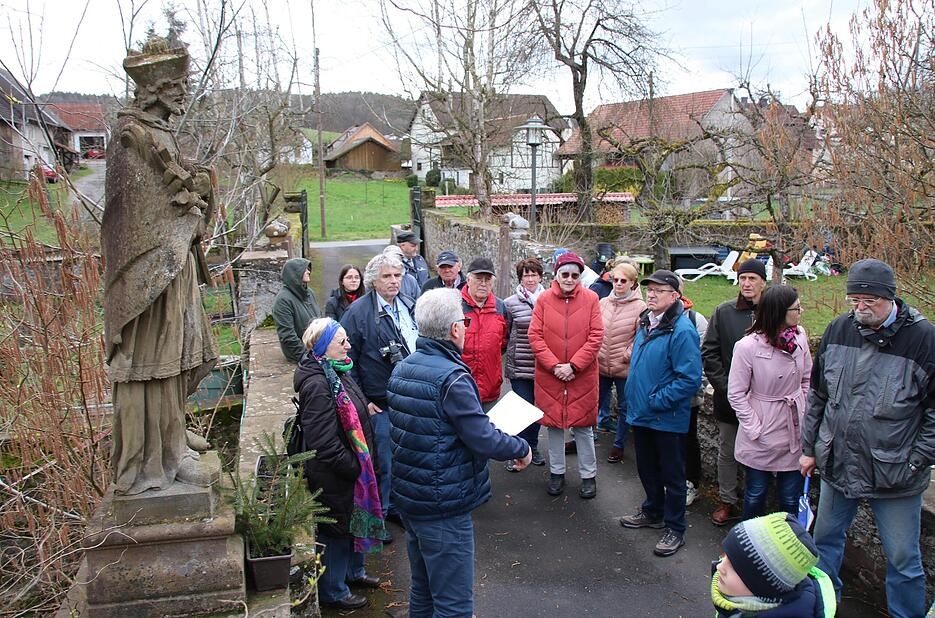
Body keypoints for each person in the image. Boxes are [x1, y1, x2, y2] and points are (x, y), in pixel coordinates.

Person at [103, 37, 218, 495]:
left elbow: (187, 183)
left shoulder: (160, 132)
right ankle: (154, 455)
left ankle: (172, 437)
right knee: (153, 356)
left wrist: (203, 186)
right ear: (152, 91)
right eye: (176, 86)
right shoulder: (133, 136)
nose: (183, 93)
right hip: (150, 273)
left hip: (175, 263)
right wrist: (184, 211)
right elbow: (130, 215)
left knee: (177, 349)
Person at [800, 259, 935, 618]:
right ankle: (824, 607)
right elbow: (818, 395)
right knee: (824, 544)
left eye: (868, 301)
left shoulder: (923, 339)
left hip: (896, 474)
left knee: (903, 559)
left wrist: (915, 461)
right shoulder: (838, 329)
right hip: (837, 463)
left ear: (889, 298)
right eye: (853, 300)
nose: (859, 308)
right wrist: (809, 449)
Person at [387, 288, 531, 617]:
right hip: (442, 505)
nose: (466, 327)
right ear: (455, 329)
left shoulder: (402, 368)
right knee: (453, 604)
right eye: (464, 322)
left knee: (423, 590)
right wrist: (520, 447)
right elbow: (482, 437)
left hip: (412, 499)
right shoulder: (452, 378)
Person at [295, 318, 387, 611]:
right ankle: (334, 590)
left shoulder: (338, 370)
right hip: (336, 474)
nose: (348, 346)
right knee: (336, 531)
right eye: (341, 342)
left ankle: (353, 573)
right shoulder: (318, 385)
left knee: (351, 524)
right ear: (322, 347)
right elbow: (322, 441)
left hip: (352, 470)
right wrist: (353, 466)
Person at [619, 270, 701, 557]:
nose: (651, 294)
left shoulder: (682, 330)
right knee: (647, 467)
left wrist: (656, 400)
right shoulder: (647, 322)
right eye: (650, 289)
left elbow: (689, 379)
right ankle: (652, 511)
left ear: (675, 295)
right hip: (641, 413)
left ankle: (675, 528)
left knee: (673, 475)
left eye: (659, 290)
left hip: (665, 416)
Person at [340, 253, 418, 532]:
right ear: (373, 280)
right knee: (381, 462)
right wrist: (363, 400)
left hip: (406, 399)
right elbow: (346, 361)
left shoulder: (408, 304)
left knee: (403, 458)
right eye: (387, 276)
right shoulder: (358, 313)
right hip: (379, 403)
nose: (394, 281)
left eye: (397, 275)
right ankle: (380, 515)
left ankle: (395, 507)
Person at [727, 286, 811, 520]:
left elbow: (807, 379)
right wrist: (755, 427)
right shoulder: (747, 347)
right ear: (779, 312)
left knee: (790, 497)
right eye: (796, 308)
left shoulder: (799, 337)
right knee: (755, 494)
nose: (800, 311)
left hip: (793, 428)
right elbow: (736, 393)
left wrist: (803, 410)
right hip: (761, 432)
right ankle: (747, 550)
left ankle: (788, 551)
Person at [528, 251, 604, 499]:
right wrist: (555, 366)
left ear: (580, 276)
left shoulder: (592, 298)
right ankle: (556, 473)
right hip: (551, 376)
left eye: (574, 275)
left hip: (581, 375)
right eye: (565, 274)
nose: (570, 279)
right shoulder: (543, 300)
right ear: (557, 275)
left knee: (582, 428)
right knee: (554, 427)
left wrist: (573, 365)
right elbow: (535, 336)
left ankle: (588, 475)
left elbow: (596, 336)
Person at [703, 258, 768, 526]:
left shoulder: (774, 312)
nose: (746, 283)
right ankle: (727, 500)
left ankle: (758, 506)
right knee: (727, 451)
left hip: (765, 402)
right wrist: (728, 388)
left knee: (761, 455)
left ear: (763, 282)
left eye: (752, 278)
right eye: (742, 278)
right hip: (729, 399)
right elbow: (709, 352)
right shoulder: (724, 311)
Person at [711, 512, 836, 617]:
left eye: (734, 567)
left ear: (762, 587)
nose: (719, 567)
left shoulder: (739, 598)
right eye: (725, 556)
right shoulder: (738, 600)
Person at [597, 261, 646, 463]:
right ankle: (582, 437)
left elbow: (641, 337)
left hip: (624, 367)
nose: (618, 284)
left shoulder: (640, 307)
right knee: (592, 403)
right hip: (600, 363)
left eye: (623, 281)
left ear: (633, 283)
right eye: (615, 279)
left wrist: (627, 355)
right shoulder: (603, 303)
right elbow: (595, 330)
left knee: (625, 407)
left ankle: (619, 444)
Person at [504, 257, 547, 470]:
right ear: (520, 278)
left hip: (543, 366)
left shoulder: (550, 300)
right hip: (520, 365)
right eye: (526, 275)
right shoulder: (510, 303)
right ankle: (516, 452)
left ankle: (533, 447)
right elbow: (506, 332)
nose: (530, 279)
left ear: (540, 276)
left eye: (533, 274)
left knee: (537, 410)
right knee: (521, 409)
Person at [460, 257, 512, 410]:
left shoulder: (501, 308)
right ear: (468, 279)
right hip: (459, 388)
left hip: (490, 390)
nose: (483, 283)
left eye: (487, 279)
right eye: (478, 278)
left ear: (492, 282)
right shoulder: (454, 306)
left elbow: (503, 343)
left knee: (486, 431)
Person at [680, 293, 708, 507]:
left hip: (689, 394)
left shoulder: (695, 320)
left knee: (689, 439)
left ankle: (691, 482)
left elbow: (704, 356)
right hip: (663, 393)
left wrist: (700, 387)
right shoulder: (652, 317)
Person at [272, 257, 323, 363]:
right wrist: (307, 356)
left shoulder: (310, 293)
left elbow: (320, 321)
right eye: (305, 270)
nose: (308, 272)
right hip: (302, 356)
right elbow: (287, 335)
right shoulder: (283, 300)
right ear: (294, 274)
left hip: (318, 350)